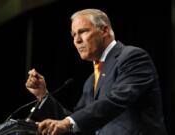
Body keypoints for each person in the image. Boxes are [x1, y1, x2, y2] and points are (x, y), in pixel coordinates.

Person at [25, 9, 168, 135]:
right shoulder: (91, 80)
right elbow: (78, 120)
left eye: (82, 31)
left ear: (104, 30)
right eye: (73, 35)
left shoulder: (132, 57)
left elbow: (115, 100)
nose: (77, 40)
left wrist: (68, 122)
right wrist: (43, 95)